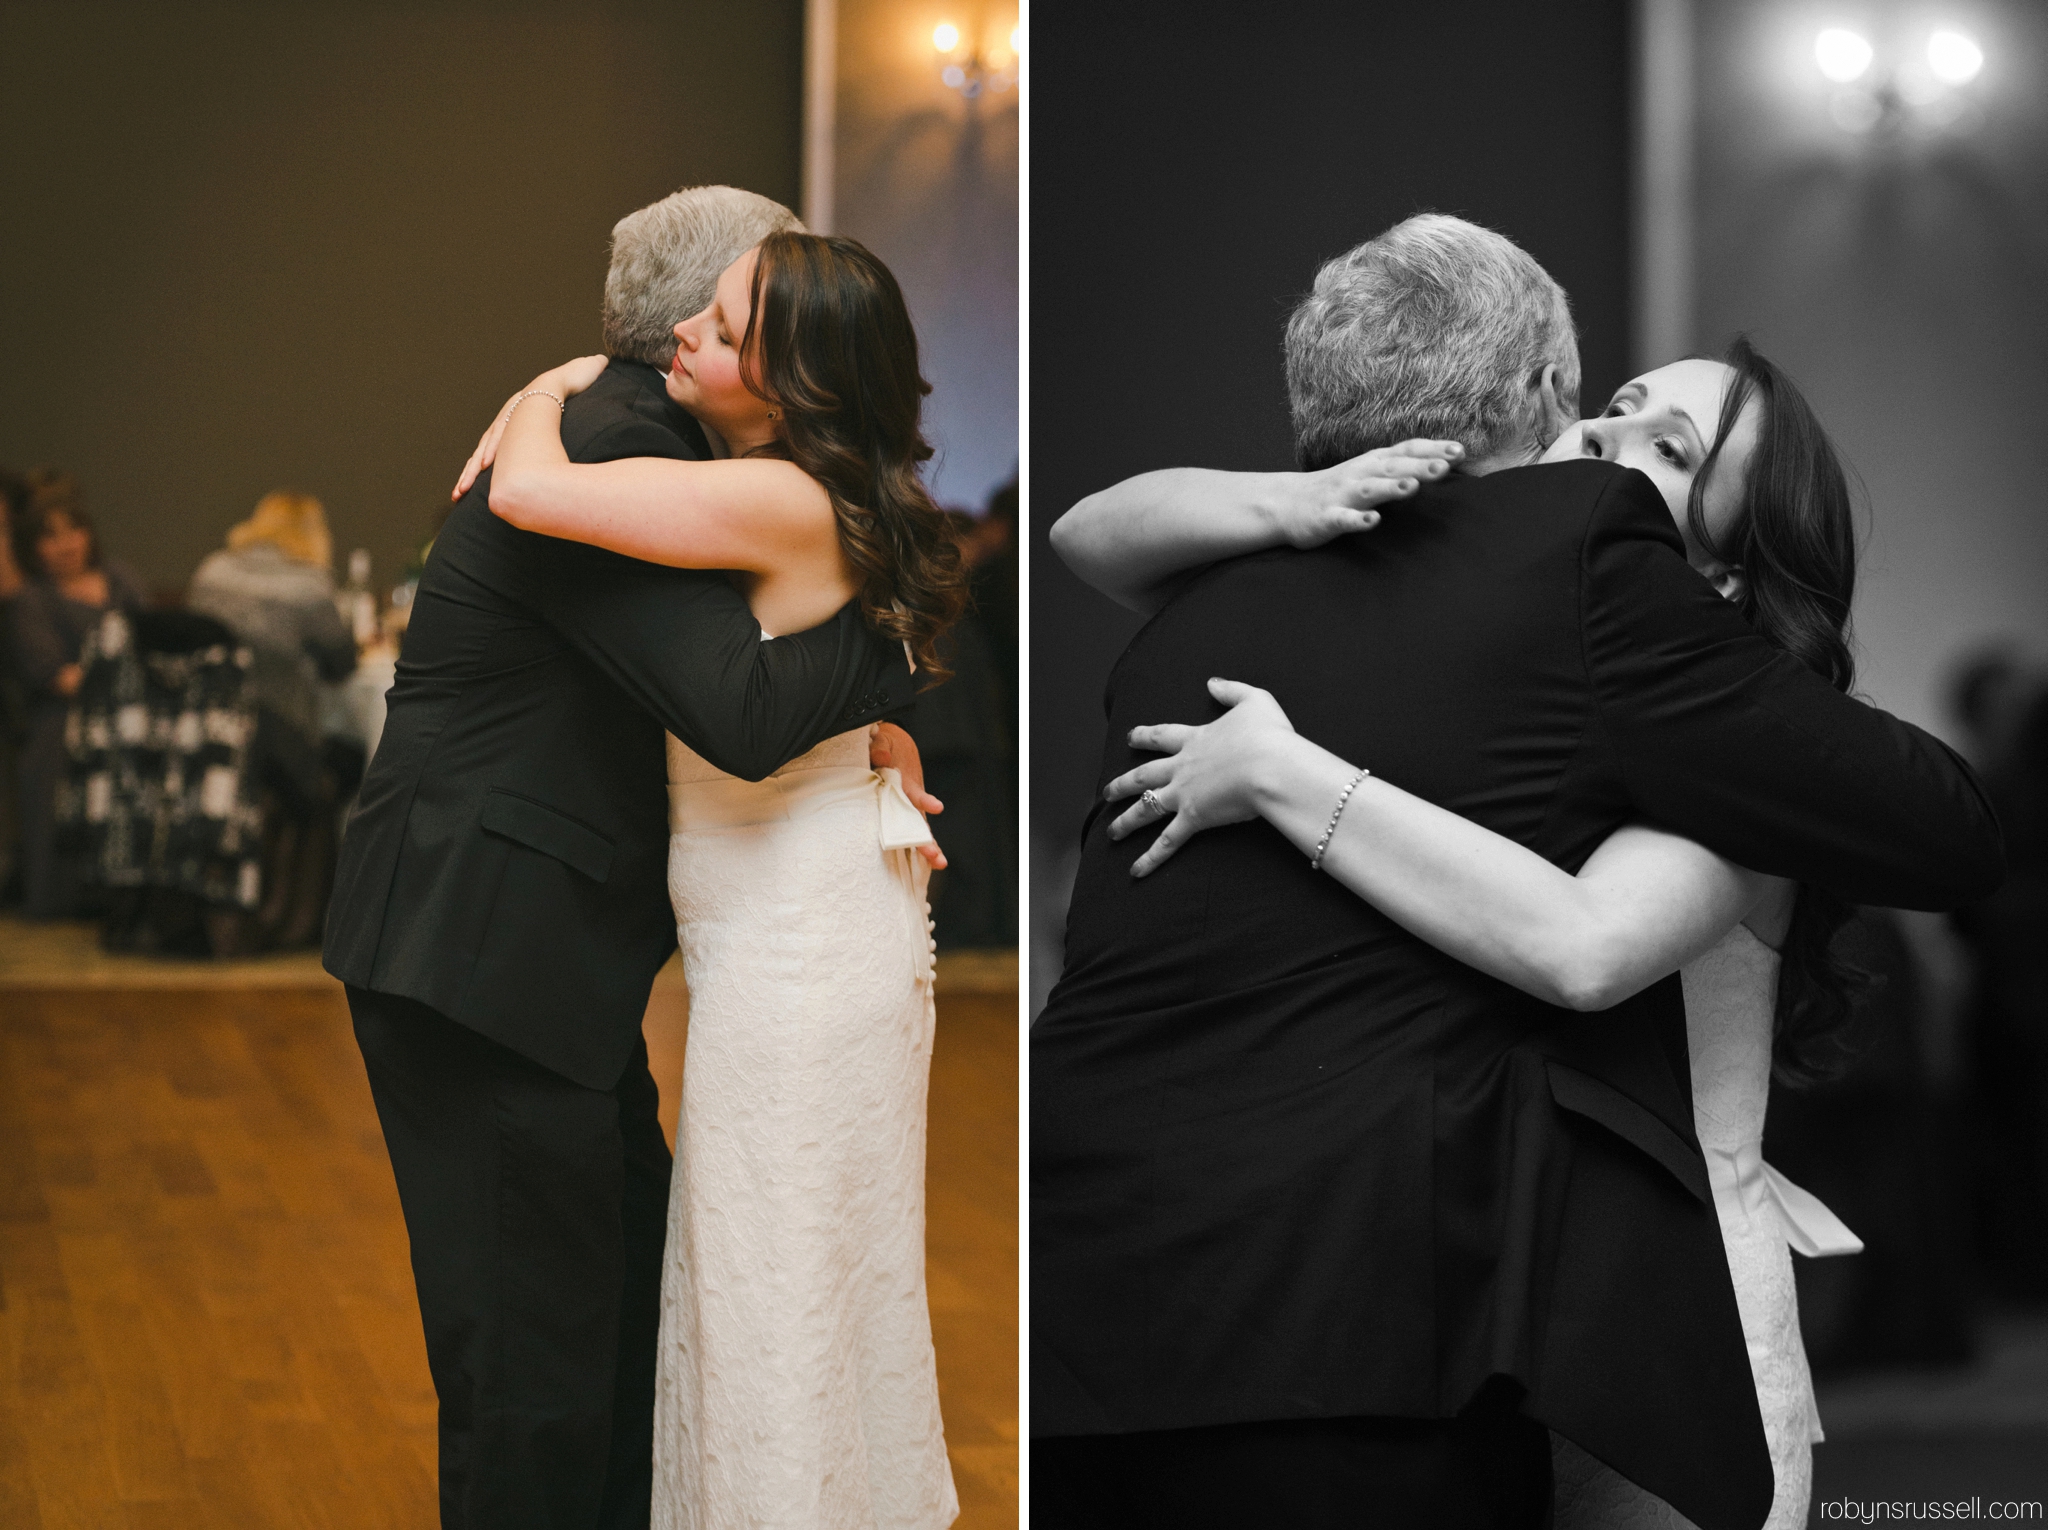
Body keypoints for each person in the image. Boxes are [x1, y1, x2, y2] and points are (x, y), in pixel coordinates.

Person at [1030, 215, 2003, 1530]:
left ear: (1721, 570)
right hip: (1447, 1305)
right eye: (1613, 409)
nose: (1603, 445)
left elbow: (1584, 945)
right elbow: (1092, 528)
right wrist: (1293, 500)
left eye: (1668, 451)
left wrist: (1281, 771)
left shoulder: (1716, 743)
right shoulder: (1464, 610)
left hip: (1645, 1315)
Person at [323, 189, 939, 1530]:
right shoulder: (610, 447)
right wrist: (887, 645)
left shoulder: (637, 439)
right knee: (537, 1366)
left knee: (608, 1322)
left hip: (539, 957)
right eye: (716, 312)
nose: (694, 341)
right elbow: (740, 709)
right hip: (483, 948)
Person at [4, 473, 147, 917]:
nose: (66, 544)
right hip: (63, 718)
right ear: (33, 548)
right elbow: (59, 678)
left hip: (135, 708)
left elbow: (155, 641)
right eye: (51, 537)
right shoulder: (31, 602)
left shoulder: (121, 579)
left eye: (74, 530)